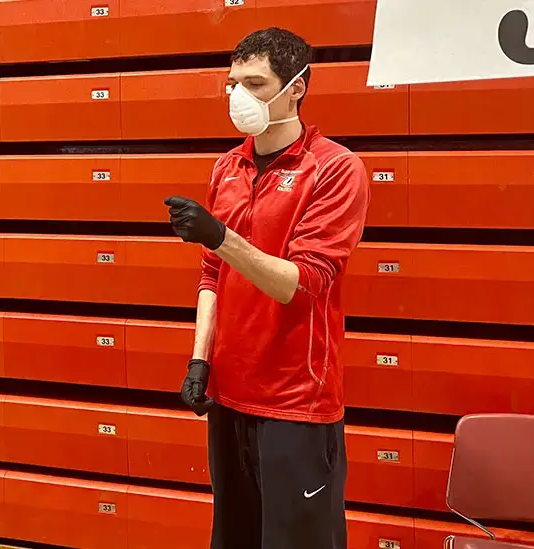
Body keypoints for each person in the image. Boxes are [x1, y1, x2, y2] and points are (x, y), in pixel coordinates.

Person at [164, 28, 370, 549]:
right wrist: (199, 360)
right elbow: (212, 273)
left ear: (296, 87)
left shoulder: (335, 169)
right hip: (229, 395)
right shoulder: (226, 166)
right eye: (233, 83)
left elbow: (302, 286)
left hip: (296, 403)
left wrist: (220, 236)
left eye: (255, 83)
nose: (239, 96)